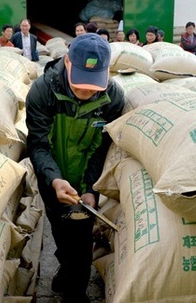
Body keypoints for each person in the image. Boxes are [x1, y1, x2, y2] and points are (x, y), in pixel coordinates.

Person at [26, 33, 124, 303]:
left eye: (93, 86)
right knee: (60, 230)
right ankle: (66, 269)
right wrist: (55, 180)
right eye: (81, 84)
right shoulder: (42, 91)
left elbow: (103, 149)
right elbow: (38, 145)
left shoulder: (113, 98)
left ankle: (75, 292)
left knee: (81, 240)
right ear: (67, 62)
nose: (86, 92)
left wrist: (91, 188)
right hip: (52, 174)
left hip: (86, 177)